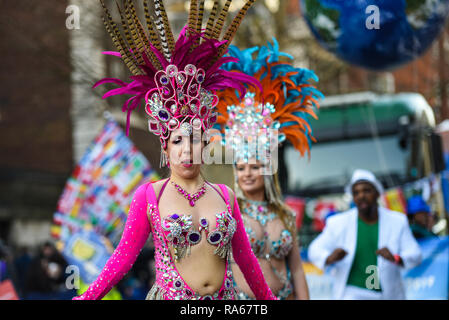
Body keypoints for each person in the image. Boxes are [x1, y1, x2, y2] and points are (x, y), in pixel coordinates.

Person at [73, 0, 276, 300]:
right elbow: (122, 260)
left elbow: (246, 260)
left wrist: (269, 300)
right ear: (165, 148)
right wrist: (86, 298)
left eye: (194, 139)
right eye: (178, 141)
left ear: (205, 144)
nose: (186, 149)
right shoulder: (149, 196)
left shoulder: (225, 195)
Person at [214, 39, 322, 299]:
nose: (247, 173)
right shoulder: (228, 210)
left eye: (255, 166)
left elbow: (297, 269)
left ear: (268, 170)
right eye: (241, 167)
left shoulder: (283, 213)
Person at [308, 169, 422, 300]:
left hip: (387, 295)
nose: (361, 195)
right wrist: (330, 258)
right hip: (351, 293)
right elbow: (314, 250)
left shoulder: (398, 221)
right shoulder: (338, 223)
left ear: (377, 193)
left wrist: (395, 258)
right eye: (356, 192)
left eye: (366, 190)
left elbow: (415, 254)